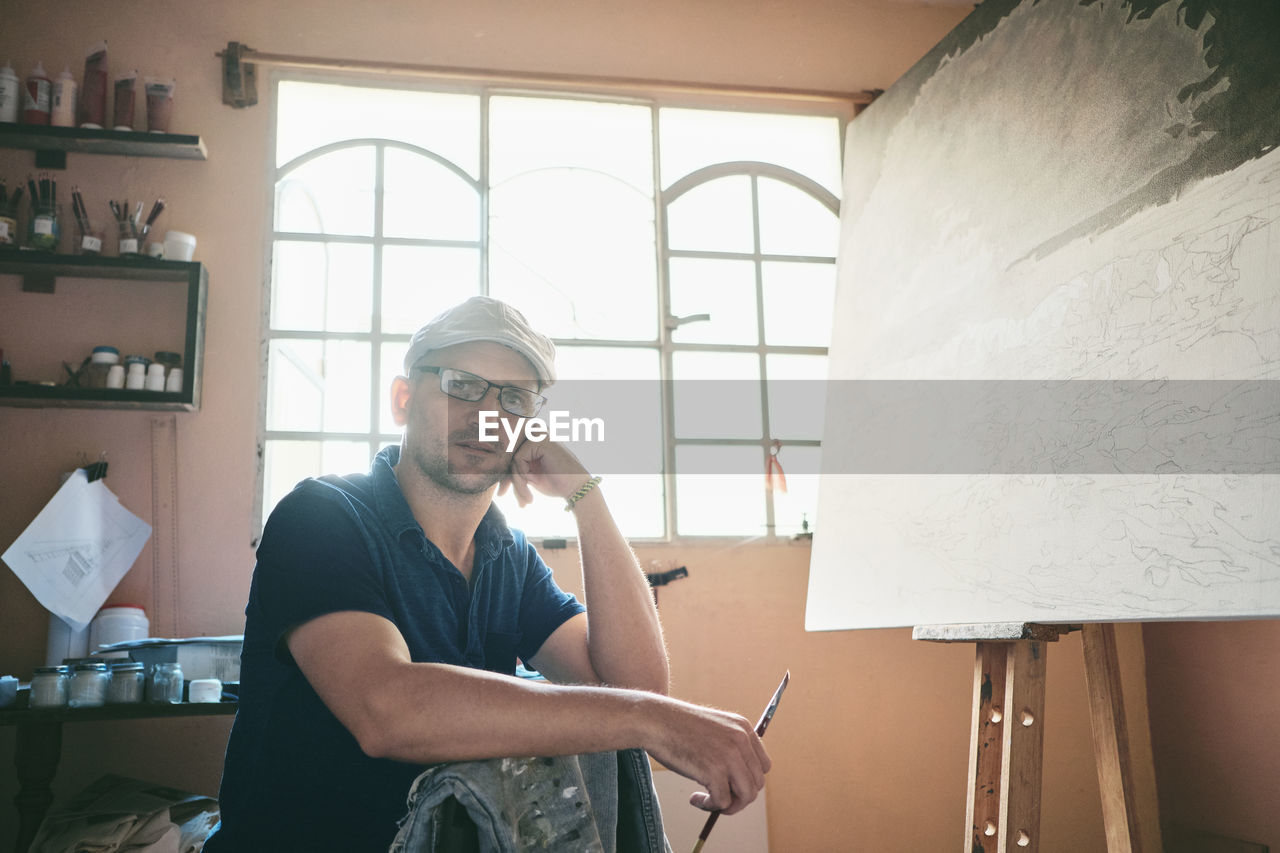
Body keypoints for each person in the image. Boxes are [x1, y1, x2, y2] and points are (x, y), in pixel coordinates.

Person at [205, 297, 770, 852]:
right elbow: (386, 711)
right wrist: (654, 721)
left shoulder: (508, 559)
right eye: (461, 385)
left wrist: (585, 495)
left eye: (515, 398)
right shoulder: (323, 516)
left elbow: (635, 686)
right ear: (403, 399)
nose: (489, 415)